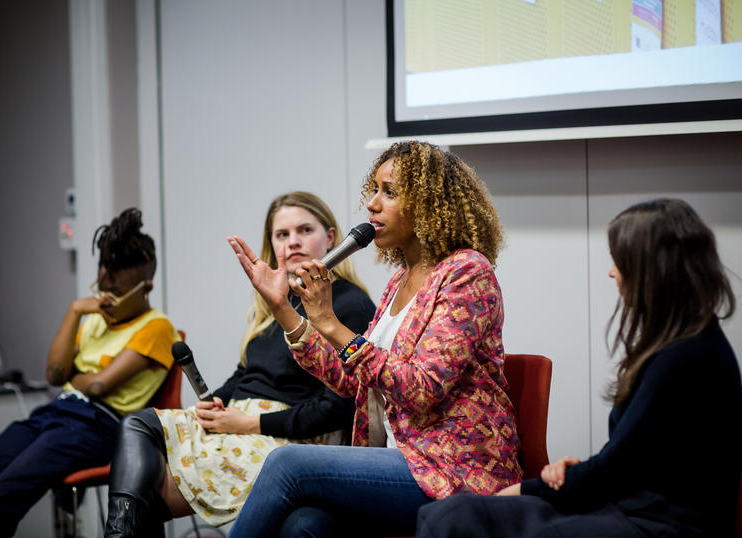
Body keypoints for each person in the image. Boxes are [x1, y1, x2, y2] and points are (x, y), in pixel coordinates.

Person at [226, 141, 522, 537]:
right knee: (304, 525)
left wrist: (331, 324)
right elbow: (353, 382)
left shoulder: (467, 273)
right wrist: (283, 308)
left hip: (450, 470)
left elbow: (423, 388)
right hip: (396, 461)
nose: (371, 204)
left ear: (429, 205)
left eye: (389, 192)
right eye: (374, 189)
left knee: (285, 464)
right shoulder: (399, 282)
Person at [416, 198, 742, 538]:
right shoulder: (686, 344)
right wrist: (573, 473)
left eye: (619, 259)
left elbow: (618, 469)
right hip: (631, 506)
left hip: (659, 524)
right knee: (454, 511)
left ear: (650, 269)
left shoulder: (686, 356)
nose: (611, 271)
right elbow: (635, 458)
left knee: (458, 519)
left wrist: (528, 489)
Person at [103, 192, 375, 537]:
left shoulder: (350, 304)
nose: (293, 242)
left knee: (148, 494)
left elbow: (335, 409)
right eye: (282, 235)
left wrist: (248, 423)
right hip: (239, 419)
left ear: (331, 238)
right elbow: (248, 372)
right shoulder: (275, 302)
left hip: (286, 436)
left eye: (304, 230)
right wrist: (214, 402)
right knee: (140, 425)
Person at [0, 208, 180, 537]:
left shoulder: (158, 327)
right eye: (101, 289)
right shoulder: (93, 320)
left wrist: (78, 379)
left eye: (115, 294)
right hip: (55, 413)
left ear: (146, 287)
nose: (105, 301)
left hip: (99, 425)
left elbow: (98, 387)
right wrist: (74, 311)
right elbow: (56, 374)